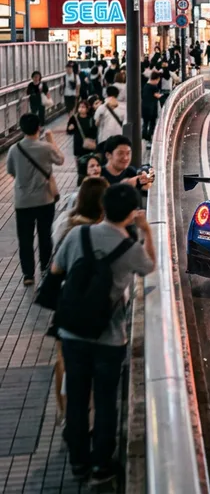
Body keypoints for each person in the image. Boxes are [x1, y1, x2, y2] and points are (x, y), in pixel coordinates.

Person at [51, 183, 156, 484]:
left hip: (72, 333)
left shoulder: (77, 235)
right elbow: (150, 267)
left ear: (103, 207)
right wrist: (145, 230)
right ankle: (101, 466)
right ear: (131, 212)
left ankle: (78, 463)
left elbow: (58, 268)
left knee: (77, 398)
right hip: (109, 338)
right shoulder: (130, 248)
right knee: (107, 401)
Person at [50, 175, 110, 424]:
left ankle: (64, 412)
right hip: (91, 306)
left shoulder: (65, 223)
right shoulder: (98, 232)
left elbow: (55, 267)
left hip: (65, 301)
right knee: (89, 363)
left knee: (63, 359)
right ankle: (86, 413)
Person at [6, 113, 65, 285]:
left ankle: (28, 275)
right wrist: (51, 140)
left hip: (22, 201)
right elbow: (61, 160)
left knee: (25, 238)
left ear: (21, 128)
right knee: (45, 235)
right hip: (44, 200)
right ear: (38, 128)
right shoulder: (46, 148)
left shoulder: (14, 149)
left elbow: (11, 171)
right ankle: (45, 268)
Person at [93, 85, 125, 153]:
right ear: (117, 94)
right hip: (119, 136)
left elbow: (96, 124)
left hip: (104, 138)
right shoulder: (123, 108)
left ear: (107, 94)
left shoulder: (101, 108)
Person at [142, 71, 162, 142]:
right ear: (156, 79)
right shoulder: (154, 87)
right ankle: (150, 136)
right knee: (152, 122)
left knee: (145, 123)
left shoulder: (146, 85)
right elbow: (157, 95)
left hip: (144, 106)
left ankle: (144, 135)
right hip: (152, 108)